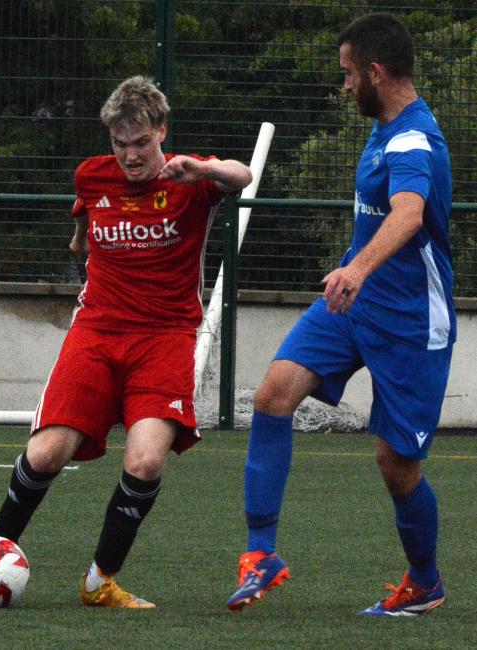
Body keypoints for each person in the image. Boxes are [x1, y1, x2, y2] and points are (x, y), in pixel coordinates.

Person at [0, 75, 252, 608]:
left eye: (141, 143)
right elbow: (85, 221)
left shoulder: (192, 179)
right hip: (97, 332)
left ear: (161, 132)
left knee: (145, 462)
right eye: (120, 144)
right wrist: (82, 240)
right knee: (45, 453)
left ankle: (99, 581)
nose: (131, 156)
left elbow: (241, 175)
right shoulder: (91, 176)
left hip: (165, 337)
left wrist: (203, 169)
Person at [226, 13, 455, 618]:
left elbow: (407, 214)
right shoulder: (383, 127)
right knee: (275, 393)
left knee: (396, 464)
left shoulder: (413, 140)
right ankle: (261, 554)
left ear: (377, 73)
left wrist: (357, 268)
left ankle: (425, 583)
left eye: (350, 74)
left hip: (410, 321)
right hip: (353, 305)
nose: (345, 85)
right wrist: (352, 269)